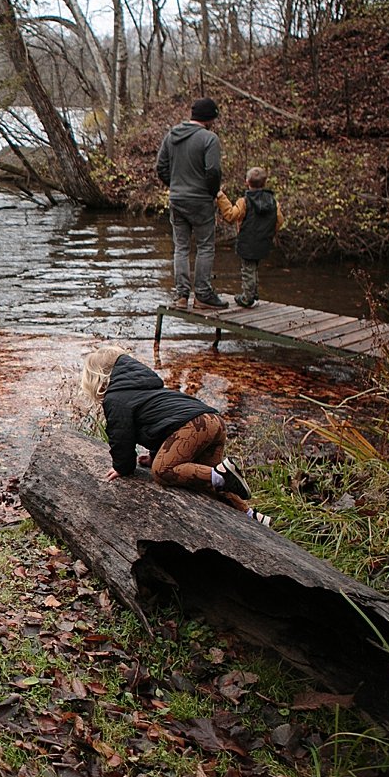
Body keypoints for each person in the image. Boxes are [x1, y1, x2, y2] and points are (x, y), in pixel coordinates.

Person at [78, 344, 271, 525]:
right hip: (213, 421)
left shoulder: (116, 399)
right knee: (201, 479)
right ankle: (250, 515)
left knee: (163, 471)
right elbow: (163, 425)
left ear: (97, 378)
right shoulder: (145, 387)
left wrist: (123, 467)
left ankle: (221, 475)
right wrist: (155, 455)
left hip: (194, 426)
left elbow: (121, 436)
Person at [156, 97, 226, 309]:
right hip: (201, 200)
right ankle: (203, 295)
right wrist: (212, 192)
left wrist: (175, 185)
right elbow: (213, 170)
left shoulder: (171, 136)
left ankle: (181, 296)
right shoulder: (209, 139)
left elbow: (161, 167)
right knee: (205, 246)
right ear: (209, 118)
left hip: (177, 199)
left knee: (181, 247)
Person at [217, 166, 283, 308]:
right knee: (254, 266)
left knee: (247, 269)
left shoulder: (244, 201)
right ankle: (254, 292)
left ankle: (247, 297)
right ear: (265, 183)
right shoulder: (273, 201)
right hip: (264, 241)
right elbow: (279, 220)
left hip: (247, 241)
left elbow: (230, 215)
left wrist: (221, 197)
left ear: (247, 182)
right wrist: (269, 233)